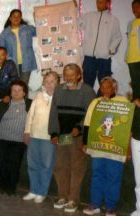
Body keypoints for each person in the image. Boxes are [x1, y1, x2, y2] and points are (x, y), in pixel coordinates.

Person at [48, 63, 96, 213]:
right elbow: (53, 113)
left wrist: (79, 128)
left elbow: (91, 114)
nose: (68, 77)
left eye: (71, 74)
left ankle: (73, 199)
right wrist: (54, 133)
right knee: (60, 166)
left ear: (79, 75)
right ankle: (62, 196)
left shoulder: (88, 91)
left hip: (77, 137)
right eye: (66, 74)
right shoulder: (58, 90)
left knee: (77, 168)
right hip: (62, 136)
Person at [82, 77, 130, 216]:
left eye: (108, 87)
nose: (104, 90)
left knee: (114, 176)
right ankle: (95, 204)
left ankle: (111, 207)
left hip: (116, 147)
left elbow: (127, 127)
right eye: (102, 87)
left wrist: (127, 147)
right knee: (97, 174)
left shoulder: (124, 102)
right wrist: (85, 142)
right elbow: (88, 123)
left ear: (115, 88)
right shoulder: (95, 102)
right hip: (98, 146)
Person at [0, 80, 32, 195]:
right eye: (14, 90)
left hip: (19, 140)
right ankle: (2, 186)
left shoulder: (30, 105)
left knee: (15, 165)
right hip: (1, 138)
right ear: (10, 92)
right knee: (2, 164)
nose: (16, 93)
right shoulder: (3, 104)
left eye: (19, 90)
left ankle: (11, 188)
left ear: (24, 93)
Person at [23, 71, 60, 203]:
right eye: (47, 81)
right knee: (32, 164)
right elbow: (30, 115)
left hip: (49, 138)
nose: (49, 84)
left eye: (52, 81)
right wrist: (27, 131)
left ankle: (41, 192)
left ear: (57, 83)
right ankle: (33, 190)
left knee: (46, 165)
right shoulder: (38, 96)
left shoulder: (59, 97)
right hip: (34, 136)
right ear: (43, 83)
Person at [79, 0, 122, 90]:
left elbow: (117, 37)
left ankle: (102, 103)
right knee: (87, 85)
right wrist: (74, 8)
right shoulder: (88, 16)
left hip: (104, 59)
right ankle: (89, 103)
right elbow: (77, 24)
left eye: (101, 2)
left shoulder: (113, 20)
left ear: (107, 3)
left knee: (106, 86)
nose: (98, 5)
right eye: (97, 2)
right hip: (89, 58)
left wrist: (111, 49)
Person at [0, 9, 37, 84]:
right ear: (10, 18)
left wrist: (37, 18)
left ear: (21, 18)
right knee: (14, 86)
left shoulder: (27, 29)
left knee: (23, 86)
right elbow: (2, 49)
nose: (16, 18)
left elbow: (41, 31)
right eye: (14, 16)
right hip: (12, 64)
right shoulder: (5, 33)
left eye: (18, 16)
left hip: (27, 63)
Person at [126, 0, 140, 101]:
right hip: (132, 59)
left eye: (137, 7)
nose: (134, 10)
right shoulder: (130, 23)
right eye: (133, 7)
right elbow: (129, 41)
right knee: (135, 85)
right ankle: (136, 111)